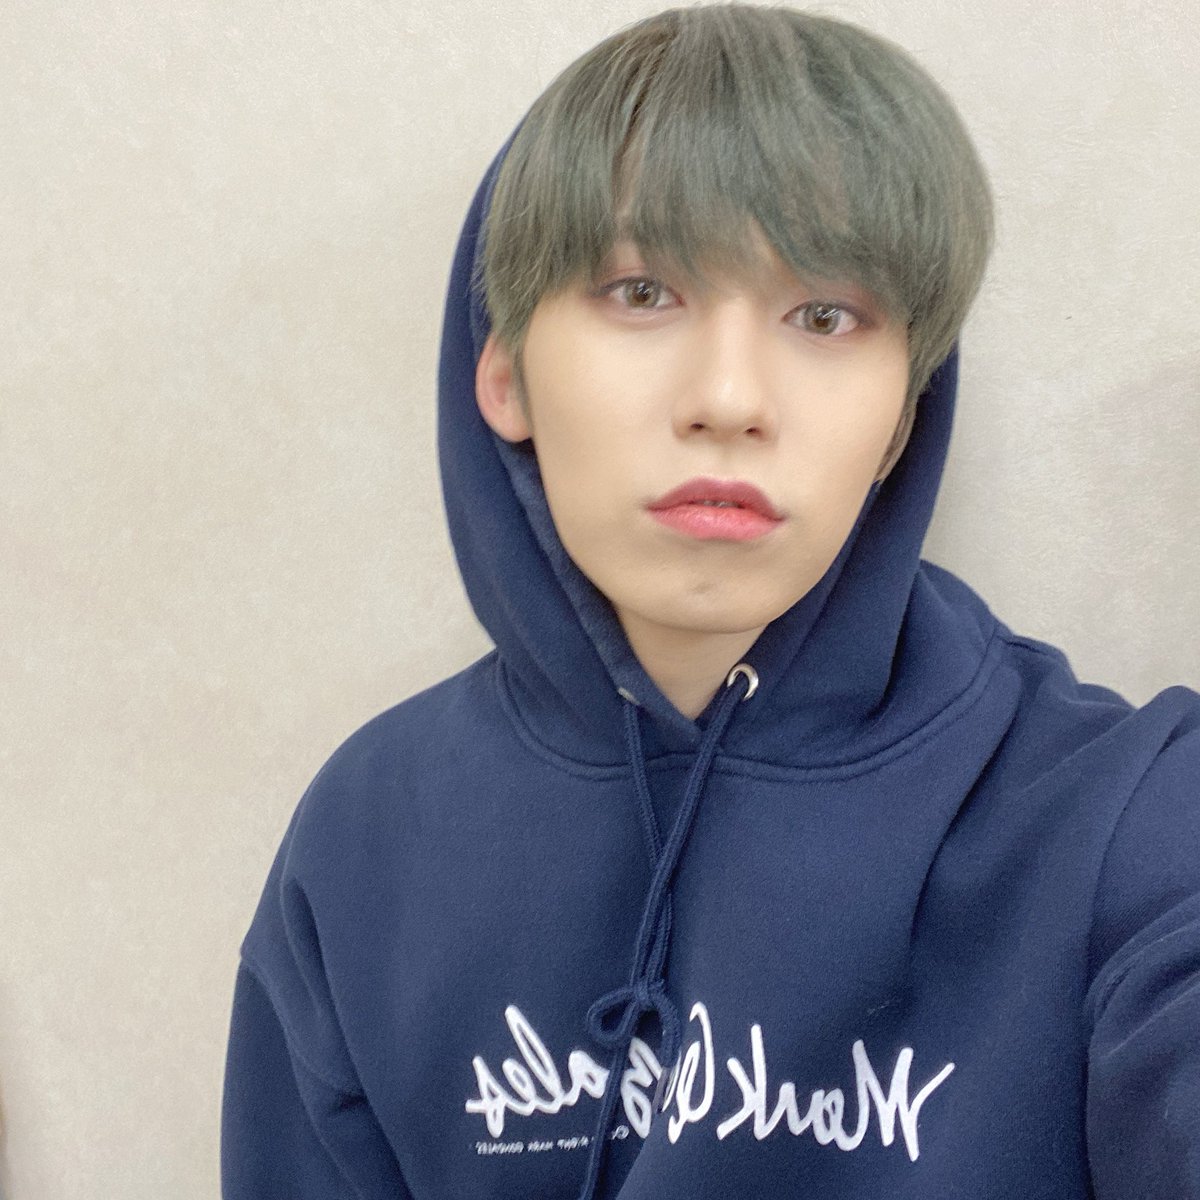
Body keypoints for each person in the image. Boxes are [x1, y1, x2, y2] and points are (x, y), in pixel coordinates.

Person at [220, 6, 1200, 1198]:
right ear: (505, 371)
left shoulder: (1130, 818)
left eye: (825, 316)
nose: (730, 397)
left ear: (903, 417)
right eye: (642, 292)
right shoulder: (365, 839)